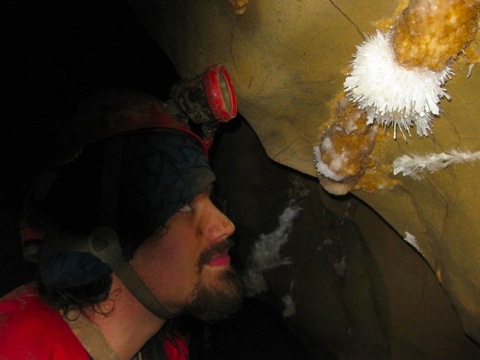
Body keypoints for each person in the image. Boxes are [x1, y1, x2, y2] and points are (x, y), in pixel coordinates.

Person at [0, 70, 244, 359]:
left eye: (210, 199)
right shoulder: (16, 345)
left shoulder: (168, 351)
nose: (225, 226)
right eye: (183, 206)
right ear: (104, 239)